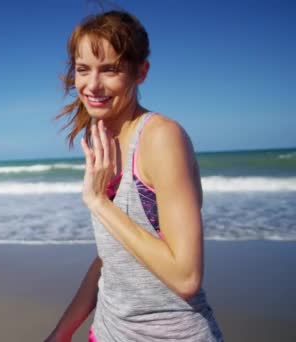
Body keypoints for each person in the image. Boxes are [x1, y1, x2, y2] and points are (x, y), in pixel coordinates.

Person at [45, 11, 223, 341]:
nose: (92, 85)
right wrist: (61, 332)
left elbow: (186, 277)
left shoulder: (160, 137)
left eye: (110, 70)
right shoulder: (99, 138)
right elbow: (109, 258)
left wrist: (99, 203)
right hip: (109, 331)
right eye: (83, 70)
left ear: (140, 72)